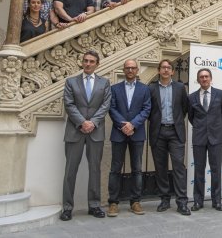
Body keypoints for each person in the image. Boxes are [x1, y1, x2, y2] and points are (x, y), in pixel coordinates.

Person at [60, 51, 112, 221]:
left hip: (95, 132)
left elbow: (106, 105)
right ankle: (67, 207)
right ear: (82, 62)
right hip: (75, 131)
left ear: (97, 64)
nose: (88, 64)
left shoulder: (104, 83)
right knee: (70, 171)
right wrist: (82, 122)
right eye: (85, 61)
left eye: (92, 61)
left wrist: (93, 122)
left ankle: (94, 205)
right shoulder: (71, 82)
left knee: (95, 169)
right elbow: (69, 103)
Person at [107, 58, 151, 217]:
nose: (130, 70)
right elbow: (111, 108)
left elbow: (146, 109)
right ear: (123, 70)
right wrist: (123, 125)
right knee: (115, 169)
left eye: (133, 68)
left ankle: (135, 202)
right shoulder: (114, 88)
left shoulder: (144, 89)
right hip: (118, 133)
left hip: (137, 133)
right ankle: (113, 202)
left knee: (137, 169)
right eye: (127, 68)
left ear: (137, 70)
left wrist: (132, 125)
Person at [148, 59, 190, 216]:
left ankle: (182, 202)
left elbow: (184, 108)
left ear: (172, 71)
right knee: (160, 168)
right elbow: (148, 110)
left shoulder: (179, 88)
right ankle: (165, 199)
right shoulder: (151, 88)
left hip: (175, 132)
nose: (166, 70)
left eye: (168, 68)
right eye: (163, 67)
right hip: (158, 133)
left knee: (179, 166)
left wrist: (176, 122)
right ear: (159, 71)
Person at [188, 68, 222, 212]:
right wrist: (201, 128)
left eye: (206, 76)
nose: (204, 79)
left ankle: (216, 201)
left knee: (216, 170)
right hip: (199, 137)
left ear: (210, 78)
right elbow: (191, 117)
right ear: (198, 80)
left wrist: (214, 127)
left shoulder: (220, 94)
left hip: (216, 137)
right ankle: (198, 201)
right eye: (201, 77)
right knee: (199, 170)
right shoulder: (192, 97)